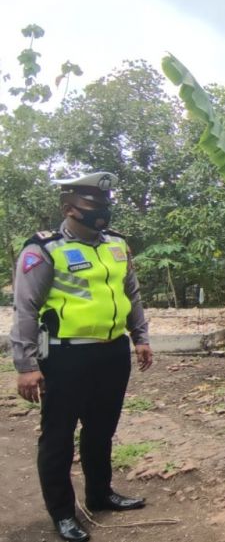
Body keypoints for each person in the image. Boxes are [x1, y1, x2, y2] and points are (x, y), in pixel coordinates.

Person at [10, 172, 154, 542]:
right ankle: (62, 513)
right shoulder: (43, 249)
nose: (102, 212)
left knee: (101, 430)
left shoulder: (118, 246)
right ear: (69, 208)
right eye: (93, 206)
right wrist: (25, 365)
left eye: (105, 205)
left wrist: (140, 337)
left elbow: (131, 294)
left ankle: (100, 494)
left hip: (112, 354)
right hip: (65, 356)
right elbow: (25, 309)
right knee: (58, 436)